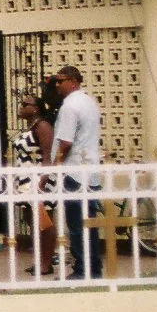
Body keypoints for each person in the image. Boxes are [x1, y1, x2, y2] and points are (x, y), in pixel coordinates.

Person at [49, 66, 104, 280]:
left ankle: (83, 270)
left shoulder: (70, 106)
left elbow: (65, 142)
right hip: (90, 171)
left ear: (73, 81)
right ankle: (94, 268)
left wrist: (54, 167)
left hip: (74, 171)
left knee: (77, 225)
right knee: (89, 224)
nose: (57, 85)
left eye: (60, 81)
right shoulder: (89, 102)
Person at [12, 89, 60, 276]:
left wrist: (43, 180)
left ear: (36, 109)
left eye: (26, 104)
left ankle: (46, 263)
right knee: (31, 220)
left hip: (39, 179)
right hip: (25, 180)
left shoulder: (42, 126)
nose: (22, 107)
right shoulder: (30, 127)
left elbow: (47, 156)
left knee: (44, 221)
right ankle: (40, 260)